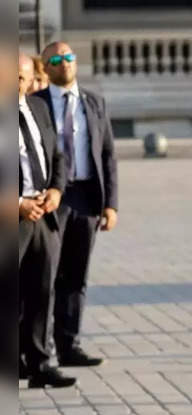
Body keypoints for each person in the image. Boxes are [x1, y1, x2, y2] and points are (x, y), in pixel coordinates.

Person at [37, 41, 118, 368]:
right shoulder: (35, 103)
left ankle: (69, 344)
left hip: (86, 197)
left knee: (76, 275)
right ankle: (40, 348)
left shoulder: (94, 102)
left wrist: (110, 204)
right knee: (46, 275)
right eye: (55, 59)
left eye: (68, 57)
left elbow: (108, 155)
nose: (64, 63)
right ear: (45, 67)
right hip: (50, 198)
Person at [17, 52, 75, 389]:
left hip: (43, 215)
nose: (18, 84)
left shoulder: (38, 108)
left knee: (42, 293)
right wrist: (17, 204)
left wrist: (55, 190)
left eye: (23, 77)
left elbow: (57, 155)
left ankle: (40, 364)